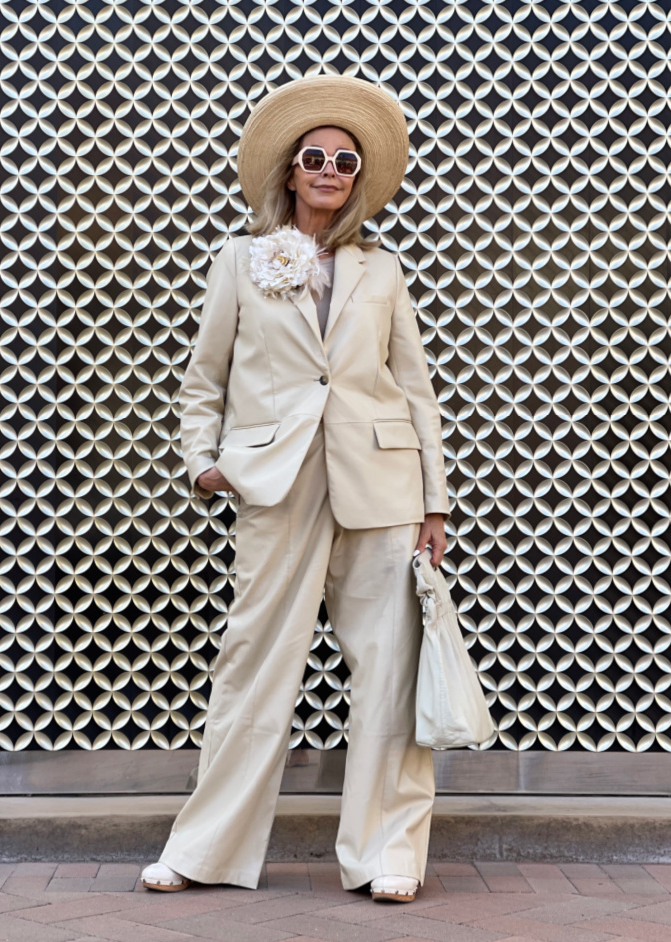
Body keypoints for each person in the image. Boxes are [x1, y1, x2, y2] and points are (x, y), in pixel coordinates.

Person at [141, 74, 450, 903]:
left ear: (358, 179)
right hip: (275, 483)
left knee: (390, 669)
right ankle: (204, 850)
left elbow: (414, 389)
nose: (329, 171)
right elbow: (203, 379)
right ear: (289, 169)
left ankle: (388, 854)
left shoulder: (382, 270)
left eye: (345, 162)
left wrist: (435, 501)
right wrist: (202, 462)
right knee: (253, 663)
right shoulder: (238, 260)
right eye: (315, 157)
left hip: (382, 483)